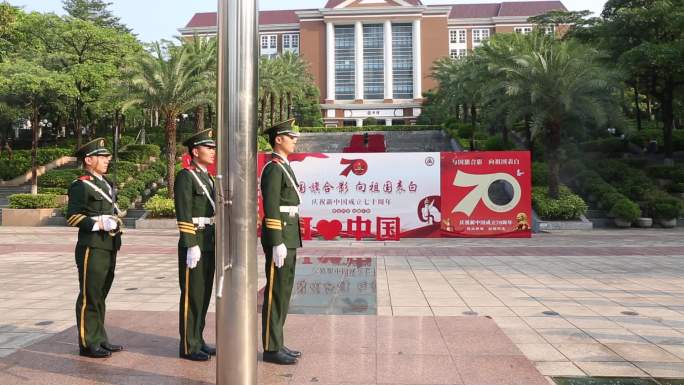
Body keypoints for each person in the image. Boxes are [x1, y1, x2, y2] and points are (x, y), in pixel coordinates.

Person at [66, 138, 123, 358]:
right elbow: (72, 216)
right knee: (90, 294)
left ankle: (99, 337)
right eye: (102, 156)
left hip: (108, 244)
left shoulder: (105, 182)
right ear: (89, 160)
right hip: (92, 246)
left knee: (100, 293)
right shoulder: (81, 185)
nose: (107, 159)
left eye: (107, 156)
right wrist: (97, 223)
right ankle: (88, 342)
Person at [260, 118, 303, 365]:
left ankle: (277, 341)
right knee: (275, 292)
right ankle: (270, 347)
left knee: (284, 292)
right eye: (291, 136)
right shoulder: (273, 168)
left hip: (289, 236)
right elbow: (271, 205)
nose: (295, 140)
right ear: (278, 139)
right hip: (280, 237)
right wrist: (276, 241)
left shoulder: (284, 166)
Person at [174, 128, 217, 361]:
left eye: (213, 148)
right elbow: (183, 211)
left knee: (204, 293)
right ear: (195, 151)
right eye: (208, 147)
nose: (213, 151)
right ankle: (189, 345)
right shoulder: (186, 176)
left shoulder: (208, 177)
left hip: (208, 241)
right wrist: (190, 243)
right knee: (192, 294)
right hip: (195, 241)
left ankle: (198, 339)